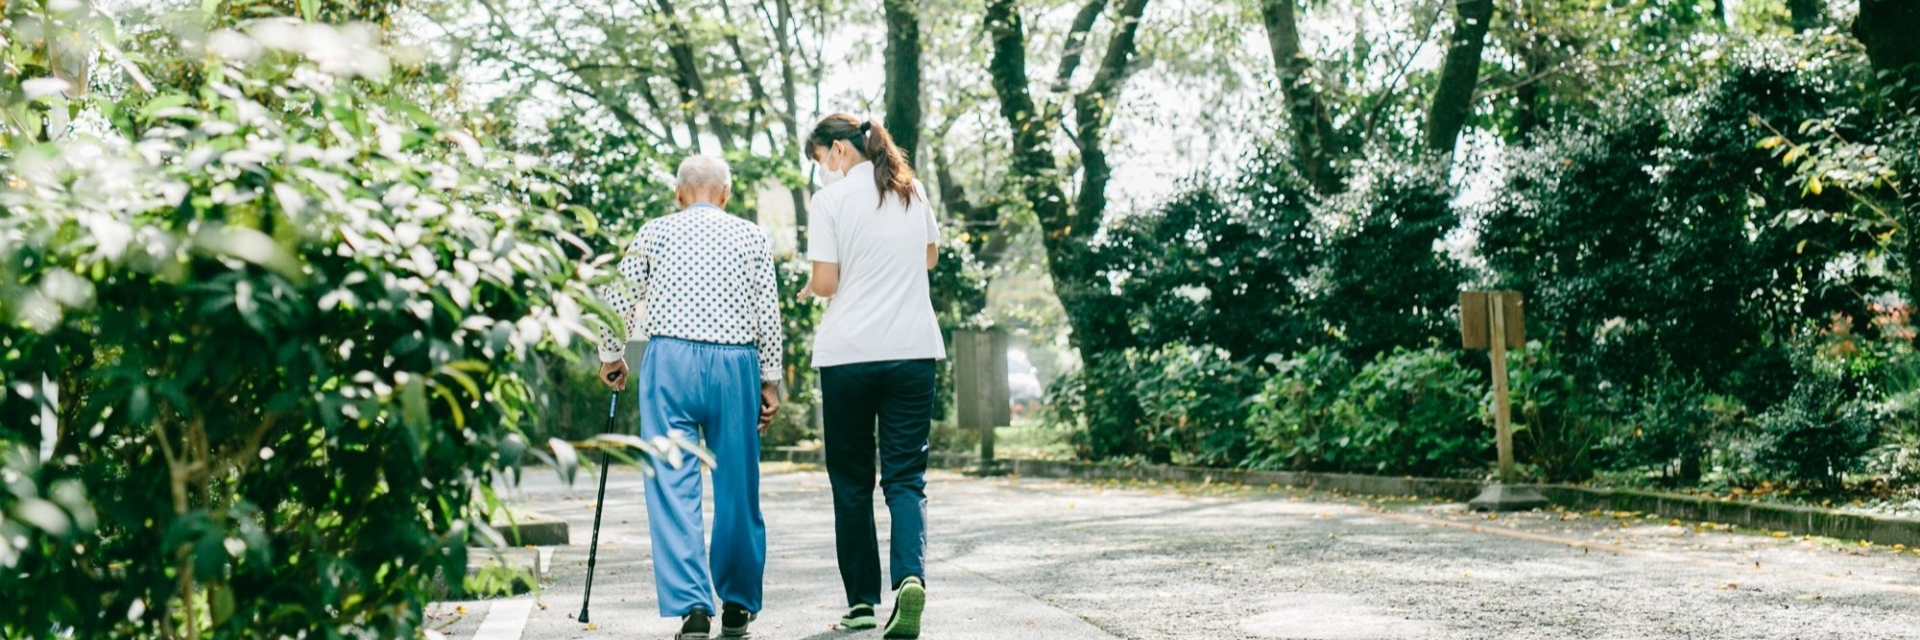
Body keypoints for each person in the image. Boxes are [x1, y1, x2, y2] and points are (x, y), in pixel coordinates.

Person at [597, 155, 783, 640]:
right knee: (738, 485)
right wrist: (770, 378)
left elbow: (616, 299)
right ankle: (738, 606)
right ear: (725, 192)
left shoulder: (654, 231)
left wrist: (611, 355)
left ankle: (693, 608)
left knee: (672, 482)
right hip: (734, 363)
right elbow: (769, 311)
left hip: (670, 363)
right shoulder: (750, 236)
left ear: (679, 194)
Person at [799, 113, 944, 640]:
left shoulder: (830, 201)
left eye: (819, 161)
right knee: (907, 479)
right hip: (912, 352)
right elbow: (928, 258)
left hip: (848, 356)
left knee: (852, 482)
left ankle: (861, 603)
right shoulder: (911, 190)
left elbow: (826, 280)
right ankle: (910, 577)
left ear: (838, 150)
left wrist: (809, 290)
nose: (821, 172)